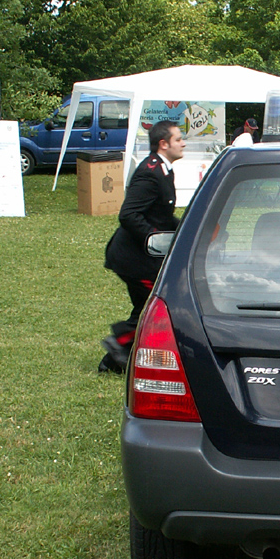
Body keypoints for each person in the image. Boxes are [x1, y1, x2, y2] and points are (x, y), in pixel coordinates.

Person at [99, 120, 185, 373]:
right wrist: (153, 239)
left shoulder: (164, 169)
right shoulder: (150, 172)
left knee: (146, 308)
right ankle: (117, 343)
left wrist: (186, 228)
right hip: (133, 259)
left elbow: (160, 214)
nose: (183, 143)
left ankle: (112, 362)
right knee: (153, 308)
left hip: (141, 257)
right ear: (164, 144)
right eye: (178, 139)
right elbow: (129, 214)